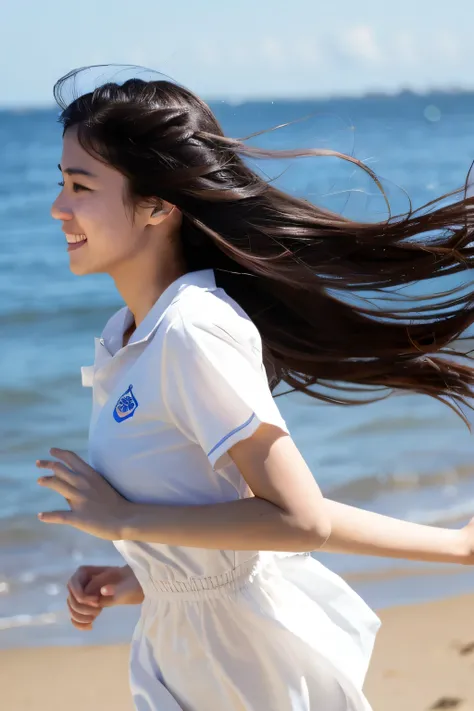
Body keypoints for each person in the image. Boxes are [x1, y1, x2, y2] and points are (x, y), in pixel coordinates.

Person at [36, 66, 474, 711]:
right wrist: (150, 574)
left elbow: (299, 519)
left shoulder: (193, 331)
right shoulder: (130, 336)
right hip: (183, 647)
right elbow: (246, 507)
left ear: (158, 206)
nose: (58, 206)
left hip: (241, 667)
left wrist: (126, 520)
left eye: (80, 185)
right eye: (61, 183)